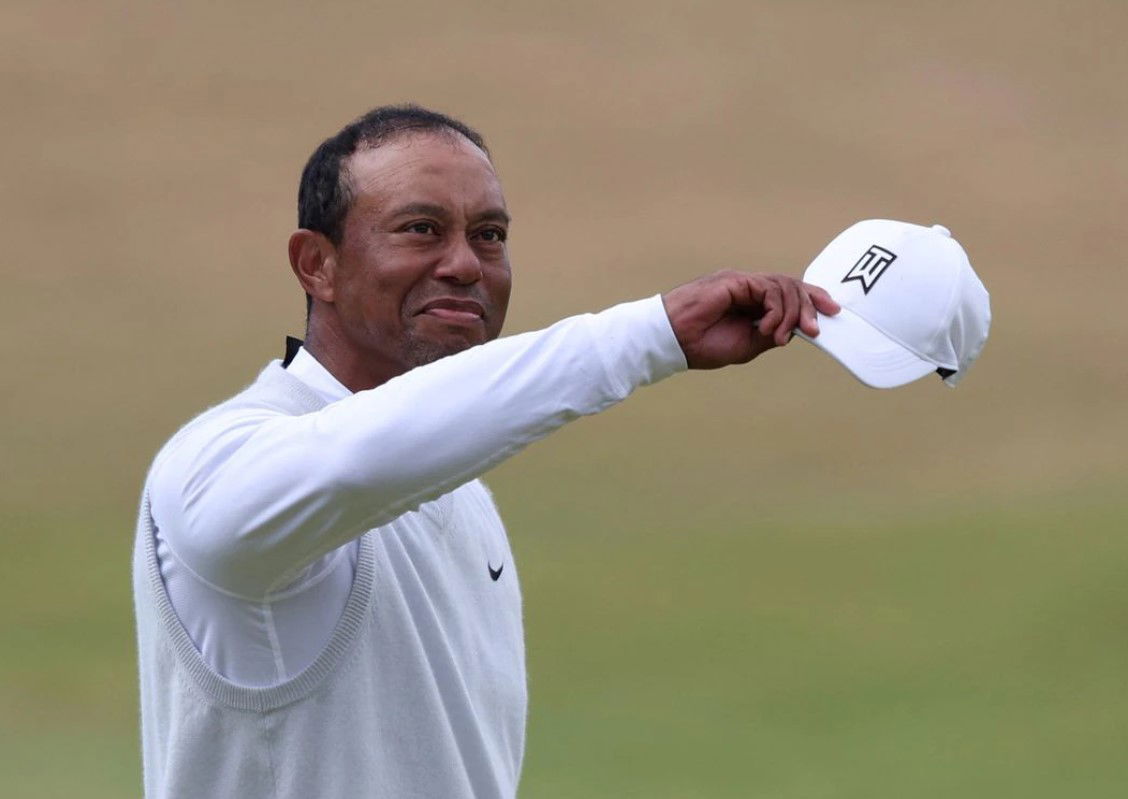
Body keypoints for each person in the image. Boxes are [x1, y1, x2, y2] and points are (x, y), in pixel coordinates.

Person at [132, 104, 839, 799]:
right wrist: (652, 336)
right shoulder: (212, 466)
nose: (466, 264)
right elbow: (354, 458)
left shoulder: (463, 495)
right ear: (317, 264)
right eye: (421, 229)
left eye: (489, 235)